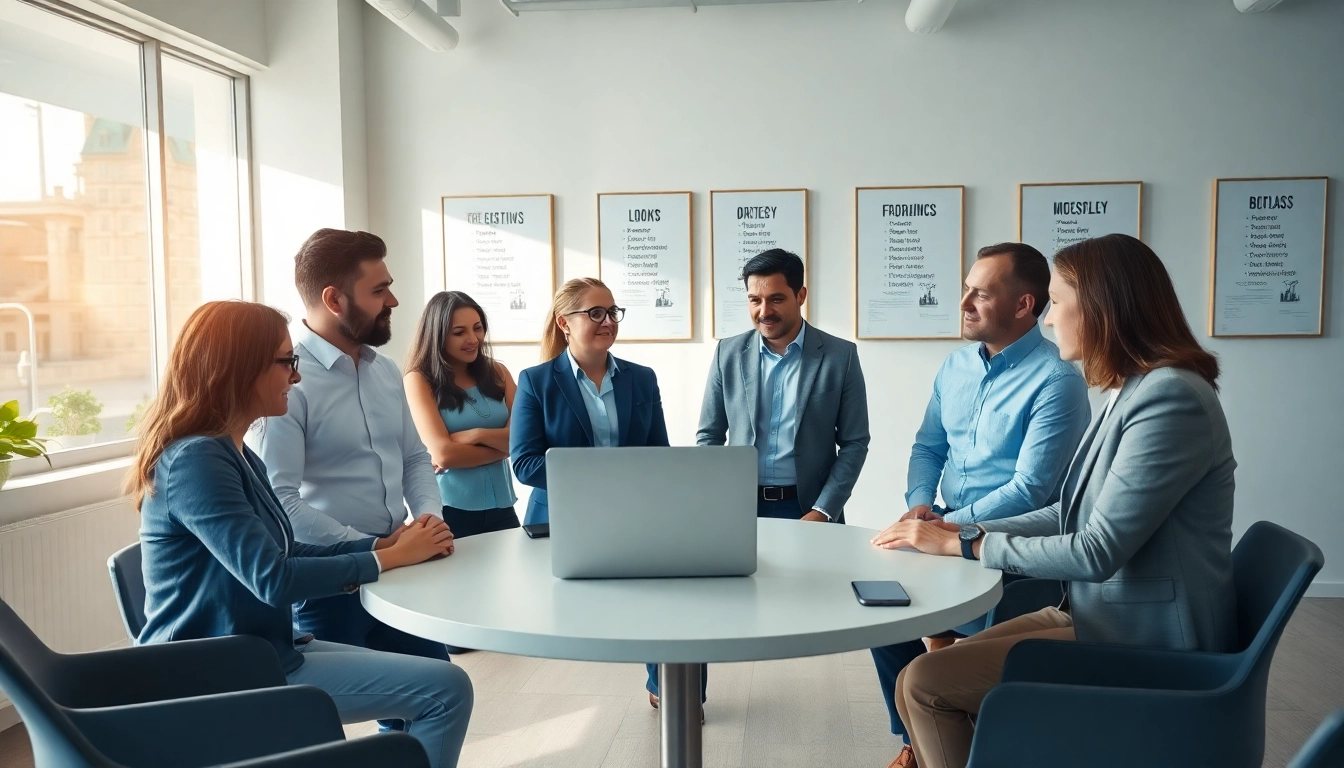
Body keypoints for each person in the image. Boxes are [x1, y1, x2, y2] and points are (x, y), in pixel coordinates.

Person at [873, 234, 1237, 768]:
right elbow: (1070, 511)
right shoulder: (1129, 390)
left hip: (1147, 637)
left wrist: (969, 546)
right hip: (1097, 610)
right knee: (915, 677)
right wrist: (958, 533)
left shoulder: (1169, 398)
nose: (1048, 319)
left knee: (927, 683)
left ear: (1102, 309)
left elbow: (1095, 550)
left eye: (1059, 303)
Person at [132, 301, 473, 768]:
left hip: (258, 648)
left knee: (437, 676)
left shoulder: (233, 453)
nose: (296, 376)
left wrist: (378, 545)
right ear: (241, 368)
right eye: (286, 361)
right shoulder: (197, 461)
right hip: (221, 674)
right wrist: (386, 560)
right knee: (447, 690)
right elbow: (272, 577)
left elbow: (285, 548)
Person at [868, 243, 1091, 747]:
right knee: (879, 608)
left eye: (980, 294)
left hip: (1014, 543)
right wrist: (921, 504)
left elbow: (1031, 489)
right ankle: (916, 742)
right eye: (966, 289)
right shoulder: (955, 366)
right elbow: (928, 445)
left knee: (949, 660)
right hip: (947, 521)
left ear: (1024, 305)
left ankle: (959, 731)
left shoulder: (1057, 381)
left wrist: (945, 529)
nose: (965, 302)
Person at [247, 228, 451, 730]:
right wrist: (374, 548)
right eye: (379, 290)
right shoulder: (283, 383)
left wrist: (427, 521)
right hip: (326, 587)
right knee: (318, 731)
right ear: (334, 299)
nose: (394, 300)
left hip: (400, 568)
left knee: (430, 693)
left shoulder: (384, 371)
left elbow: (414, 458)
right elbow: (282, 502)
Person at [507, 277, 681, 712]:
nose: (608, 321)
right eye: (595, 313)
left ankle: (673, 689)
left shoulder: (642, 379)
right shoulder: (536, 381)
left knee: (670, 604)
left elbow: (658, 455)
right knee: (570, 622)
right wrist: (605, 478)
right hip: (566, 520)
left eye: (612, 312)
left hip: (637, 516)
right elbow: (525, 463)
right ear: (565, 323)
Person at [697, 248, 870, 523]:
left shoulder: (840, 356)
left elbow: (855, 442)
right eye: (755, 300)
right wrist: (719, 497)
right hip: (739, 508)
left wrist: (824, 510)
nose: (764, 311)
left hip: (810, 509)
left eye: (776, 299)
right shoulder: (726, 354)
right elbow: (709, 436)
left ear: (800, 296)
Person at [405, 291, 520, 538]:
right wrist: (505, 446)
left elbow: (525, 437)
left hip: (504, 506)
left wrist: (473, 435)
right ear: (437, 335)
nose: (473, 339)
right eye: (459, 332)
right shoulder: (418, 380)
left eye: (477, 328)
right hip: (451, 512)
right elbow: (444, 455)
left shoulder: (498, 372)